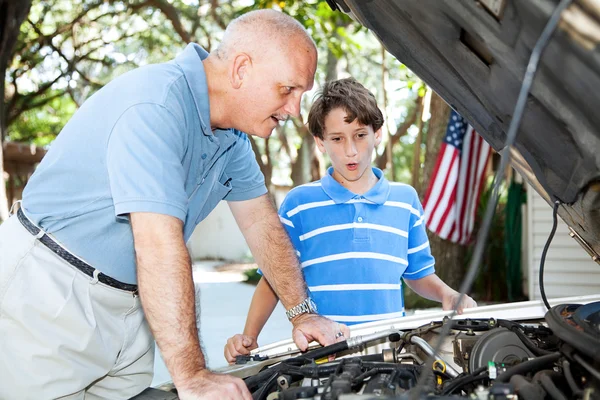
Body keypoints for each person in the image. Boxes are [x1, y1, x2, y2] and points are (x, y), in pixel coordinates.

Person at [0, 10, 349, 400]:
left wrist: (303, 313)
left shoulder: (232, 138)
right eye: (288, 90)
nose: (294, 110)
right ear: (241, 69)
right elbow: (157, 243)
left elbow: (261, 225)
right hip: (50, 295)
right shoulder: (155, 106)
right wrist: (194, 375)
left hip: (131, 309)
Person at [224, 78, 477, 364]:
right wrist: (249, 337)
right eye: (337, 138)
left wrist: (447, 293)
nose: (351, 150)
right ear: (320, 142)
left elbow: (418, 274)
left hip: (390, 353)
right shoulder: (298, 204)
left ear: (377, 134)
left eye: (360, 135)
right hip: (321, 356)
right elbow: (273, 279)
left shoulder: (405, 201)